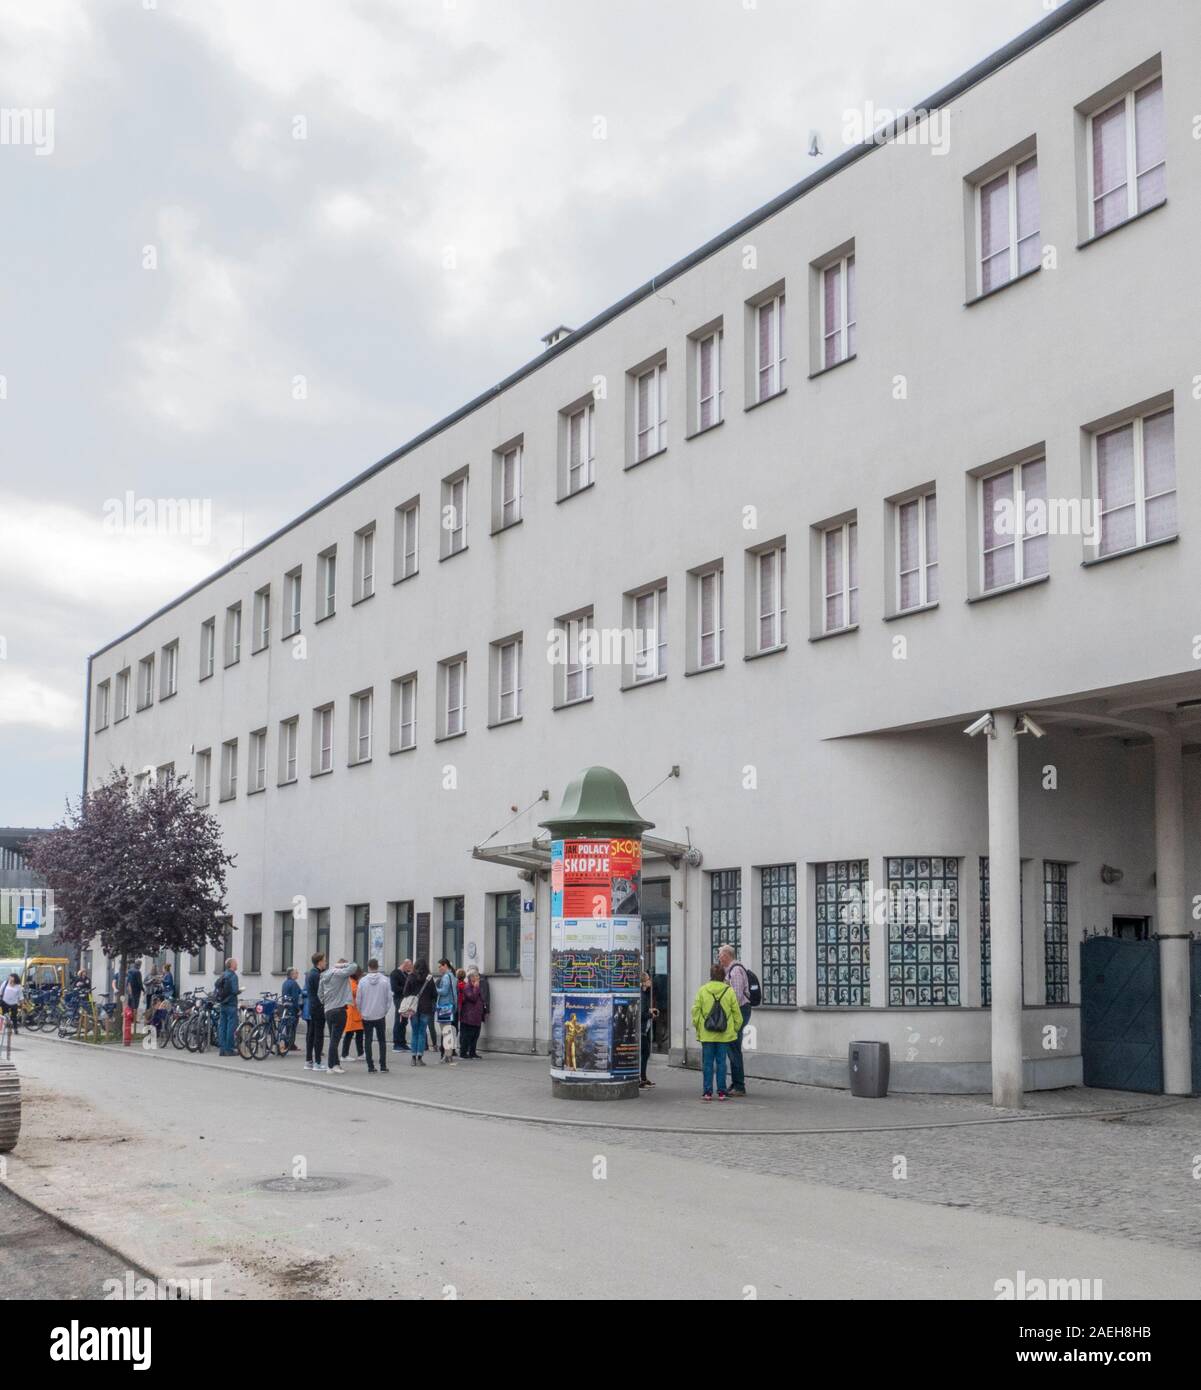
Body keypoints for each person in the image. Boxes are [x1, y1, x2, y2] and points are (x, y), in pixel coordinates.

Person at [690, 962, 742, 1101]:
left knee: (707, 1063)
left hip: (707, 1034)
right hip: (724, 1034)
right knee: (721, 1063)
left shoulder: (703, 990)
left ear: (711, 975)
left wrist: (698, 1026)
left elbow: (695, 1011)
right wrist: (734, 1028)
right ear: (723, 976)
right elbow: (737, 1014)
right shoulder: (729, 991)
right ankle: (721, 1092)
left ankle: (707, 1092)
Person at [718, 943, 752, 1098]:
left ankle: (739, 1085)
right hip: (737, 1012)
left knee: (734, 1047)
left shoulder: (736, 970)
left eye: (720, 955)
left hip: (739, 1012)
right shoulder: (730, 970)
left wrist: (730, 1016)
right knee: (733, 1047)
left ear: (727, 955)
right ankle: (736, 1082)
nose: (719, 958)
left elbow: (736, 997)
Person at [319, 958, 357, 1074]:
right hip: (339, 1010)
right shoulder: (340, 974)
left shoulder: (324, 975)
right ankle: (330, 1066)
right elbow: (354, 966)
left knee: (333, 1038)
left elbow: (319, 994)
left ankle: (336, 1064)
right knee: (335, 1040)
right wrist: (343, 965)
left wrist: (325, 1003)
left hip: (328, 1010)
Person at [356, 959, 390, 1074]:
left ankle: (370, 1066)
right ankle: (383, 1065)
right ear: (378, 966)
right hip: (380, 1014)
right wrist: (384, 1011)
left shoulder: (362, 981)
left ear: (368, 967)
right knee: (382, 1041)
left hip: (366, 1015)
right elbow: (388, 999)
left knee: (368, 1040)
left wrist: (361, 1011)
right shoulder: (385, 980)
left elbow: (358, 999)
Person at [401, 959, 435, 1067]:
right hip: (426, 1009)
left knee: (414, 1032)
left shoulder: (411, 977)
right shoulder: (429, 978)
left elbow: (405, 992)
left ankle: (413, 1058)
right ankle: (420, 1058)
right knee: (422, 1033)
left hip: (413, 1009)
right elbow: (434, 994)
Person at [305, 953, 327, 1071]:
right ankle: (317, 1062)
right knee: (318, 1035)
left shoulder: (310, 973)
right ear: (319, 962)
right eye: (324, 960)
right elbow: (322, 992)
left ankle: (309, 1061)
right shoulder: (317, 975)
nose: (326, 962)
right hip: (318, 1007)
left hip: (312, 1006)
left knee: (311, 1033)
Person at [215, 957, 240, 1057]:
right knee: (231, 1027)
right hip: (231, 1004)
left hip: (223, 1004)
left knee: (222, 1027)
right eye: (236, 963)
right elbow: (234, 991)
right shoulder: (233, 976)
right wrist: (240, 990)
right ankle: (229, 1049)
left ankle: (222, 1049)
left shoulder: (223, 975)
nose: (237, 965)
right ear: (232, 965)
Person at [435, 959, 458, 1064]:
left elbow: (444, 991)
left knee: (445, 1032)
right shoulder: (452, 976)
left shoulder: (446, 977)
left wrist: (435, 989)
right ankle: (448, 1055)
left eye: (440, 966)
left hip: (444, 1006)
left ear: (445, 966)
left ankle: (448, 1055)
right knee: (447, 1031)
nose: (439, 968)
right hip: (450, 1005)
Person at [459, 970, 485, 1059]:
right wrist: (476, 987)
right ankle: (463, 1053)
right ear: (471, 977)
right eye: (477, 976)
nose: (478, 977)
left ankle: (472, 1052)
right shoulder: (468, 987)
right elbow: (473, 997)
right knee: (467, 1035)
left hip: (477, 1016)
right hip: (469, 1016)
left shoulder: (476, 986)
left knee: (475, 1035)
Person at [639, 971, 659, 1089]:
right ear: (643, 983)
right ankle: (642, 1079)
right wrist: (652, 1015)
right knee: (644, 1053)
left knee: (645, 1054)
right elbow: (641, 1014)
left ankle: (643, 1078)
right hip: (642, 1029)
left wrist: (650, 1010)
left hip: (644, 1029)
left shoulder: (644, 994)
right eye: (647, 979)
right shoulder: (642, 995)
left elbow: (643, 1010)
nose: (650, 981)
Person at [341, 969, 365, 1062]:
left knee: (358, 1034)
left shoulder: (353, 982)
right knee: (349, 1034)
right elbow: (356, 993)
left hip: (356, 1013)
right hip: (352, 1012)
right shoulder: (352, 983)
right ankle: (344, 1054)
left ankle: (360, 1053)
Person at [390, 958, 411, 1053]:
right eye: (409, 966)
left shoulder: (406, 974)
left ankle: (403, 1042)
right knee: (399, 1020)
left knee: (404, 1021)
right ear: (405, 964)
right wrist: (406, 989)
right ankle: (396, 1043)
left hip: (406, 1000)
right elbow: (394, 988)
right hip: (399, 999)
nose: (410, 968)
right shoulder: (395, 973)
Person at [281, 968, 303, 1051]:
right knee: (293, 1026)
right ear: (292, 975)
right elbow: (295, 997)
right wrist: (299, 1009)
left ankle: (287, 1043)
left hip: (286, 1007)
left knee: (287, 1026)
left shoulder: (285, 983)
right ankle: (291, 1044)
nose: (297, 975)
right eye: (296, 973)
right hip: (293, 1008)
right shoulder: (294, 983)